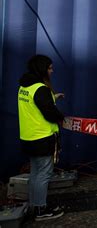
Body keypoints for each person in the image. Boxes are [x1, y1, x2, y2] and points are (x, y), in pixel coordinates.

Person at [18, 55, 65, 221]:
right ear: (42, 69)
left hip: (28, 137)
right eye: (50, 68)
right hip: (42, 138)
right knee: (44, 174)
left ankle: (34, 204)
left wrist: (54, 97)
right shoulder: (41, 89)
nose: (52, 71)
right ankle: (40, 210)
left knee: (36, 173)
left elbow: (37, 103)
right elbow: (49, 112)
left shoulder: (25, 86)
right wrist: (62, 117)